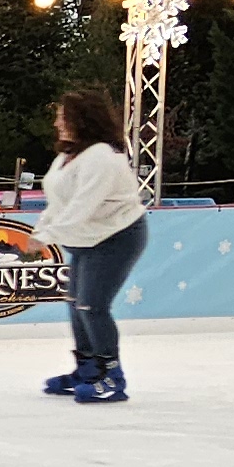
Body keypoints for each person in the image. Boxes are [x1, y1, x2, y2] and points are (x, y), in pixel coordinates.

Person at [35, 88, 147, 404]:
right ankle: (87, 369)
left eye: (62, 115)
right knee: (76, 302)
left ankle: (112, 376)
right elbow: (59, 202)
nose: (57, 121)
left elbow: (83, 205)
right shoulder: (67, 157)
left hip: (117, 237)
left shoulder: (101, 157)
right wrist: (42, 229)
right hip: (86, 238)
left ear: (80, 120)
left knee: (92, 305)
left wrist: (45, 237)